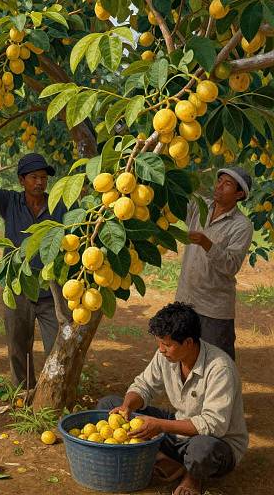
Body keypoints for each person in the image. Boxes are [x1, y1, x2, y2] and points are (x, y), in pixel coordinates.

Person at [97, 302, 248, 495]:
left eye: (167, 345)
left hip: (215, 443)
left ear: (188, 343)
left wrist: (160, 426)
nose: (161, 350)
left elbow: (214, 425)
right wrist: (127, 406)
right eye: (159, 343)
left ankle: (192, 478)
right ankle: (170, 460)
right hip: (177, 430)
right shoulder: (165, 355)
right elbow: (144, 386)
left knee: (202, 450)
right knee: (109, 405)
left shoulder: (220, 369)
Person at [0, 139, 65, 388]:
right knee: (17, 348)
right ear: (21, 180)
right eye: (34, 177)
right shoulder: (10, 202)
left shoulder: (59, 205)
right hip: (18, 289)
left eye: (44, 178)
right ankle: (23, 394)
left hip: (51, 292)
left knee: (56, 349)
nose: (40, 182)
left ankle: (51, 395)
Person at [176, 166, 253, 359]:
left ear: (239, 194)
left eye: (227, 184)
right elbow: (175, 203)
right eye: (219, 181)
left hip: (214, 309)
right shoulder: (200, 206)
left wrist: (206, 243)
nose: (219, 186)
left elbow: (231, 266)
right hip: (185, 300)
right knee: (184, 358)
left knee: (218, 363)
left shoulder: (242, 226)